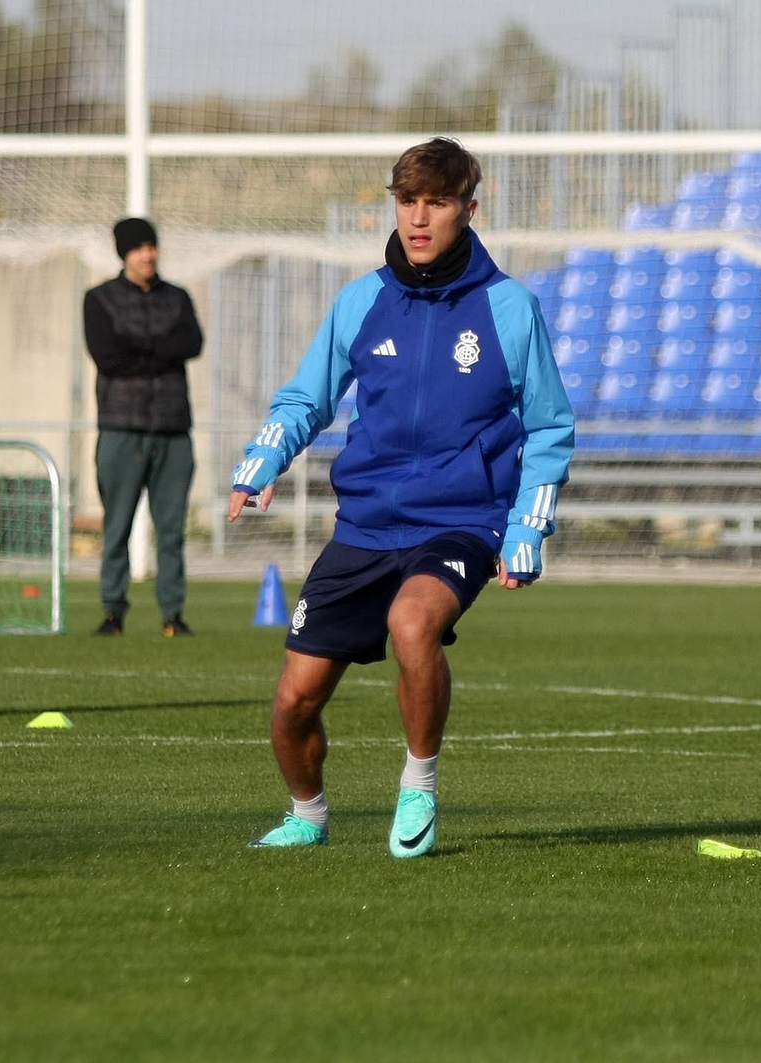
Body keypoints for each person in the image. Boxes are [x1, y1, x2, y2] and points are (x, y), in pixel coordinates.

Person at [230, 137, 575, 857]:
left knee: (412, 623)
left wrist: (526, 530)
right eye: (407, 201)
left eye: (437, 203)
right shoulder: (362, 301)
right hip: (364, 525)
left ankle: (418, 783)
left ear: (468, 210)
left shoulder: (509, 309)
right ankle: (308, 814)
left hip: (459, 521)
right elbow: (306, 399)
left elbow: (549, 426)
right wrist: (259, 464)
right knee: (292, 704)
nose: (419, 219)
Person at [83, 218, 203, 637]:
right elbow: (108, 357)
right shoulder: (99, 300)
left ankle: (173, 613)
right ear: (124, 253)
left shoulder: (178, 297)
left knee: (171, 530)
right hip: (120, 428)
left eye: (151, 246)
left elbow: (192, 345)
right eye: (139, 248)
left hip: (173, 429)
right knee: (116, 526)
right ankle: (113, 612)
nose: (148, 254)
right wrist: (161, 350)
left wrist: (138, 347)